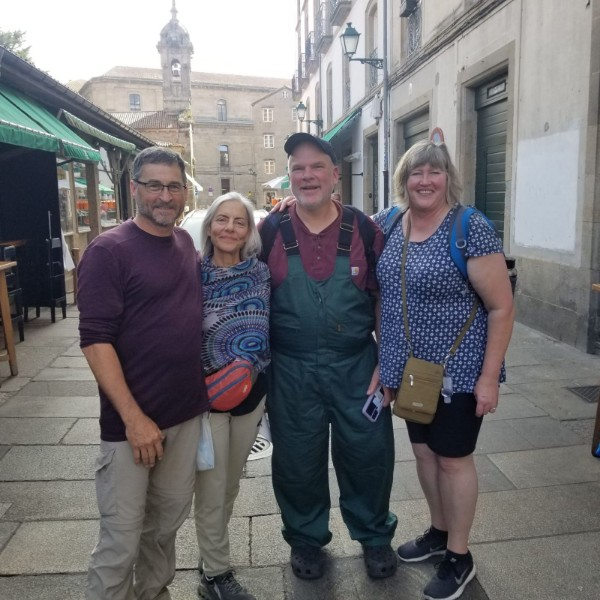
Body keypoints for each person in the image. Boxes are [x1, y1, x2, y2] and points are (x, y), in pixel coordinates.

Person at [372, 140, 515, 600]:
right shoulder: (391, 222)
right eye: (416, 173)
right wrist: (296, 203)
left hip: (460, 372)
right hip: (411, 373)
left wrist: (489, 378)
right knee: (425, 455)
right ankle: (438, 531)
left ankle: (459, 555)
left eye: (434, 172)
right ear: (404, 179)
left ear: (447, 176)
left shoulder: (470, 227)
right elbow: (343, 225)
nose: (425, 181)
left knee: (453, 460)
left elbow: (502, 307)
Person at [260, 133, 398, 580]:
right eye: (298, 168)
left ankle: (375, 536)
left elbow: (385, 299)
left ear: (335, 174)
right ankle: (306, 539)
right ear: (289, 177)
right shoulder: (269, 231)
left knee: (369, 455)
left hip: (357, 363)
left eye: (317, 166)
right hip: (291, 367)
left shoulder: (363, 229)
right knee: (297, 459)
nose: (307, 175)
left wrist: (388, 361)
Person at [78, 146, 209, 600]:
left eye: (174, 186)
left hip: (185, 415)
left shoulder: (184, 243)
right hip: (130, 426)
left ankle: (153, 594)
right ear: (135, 188)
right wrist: (134, 420)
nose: (165, 195)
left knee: (164, 529)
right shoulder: (108, 251)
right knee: (121, 539)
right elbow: (95, 342)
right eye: (154, 184)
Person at [194, 192, 270, 600]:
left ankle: (211, 561)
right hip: (203, 399)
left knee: (228, 486)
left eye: (239, 222)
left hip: (250, 395)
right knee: (211, 486)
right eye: (221, 220)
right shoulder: (191, 273)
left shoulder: (261, 273)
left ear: (248, 232)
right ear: (209, 226)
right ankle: (216, 575)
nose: (229, 228)